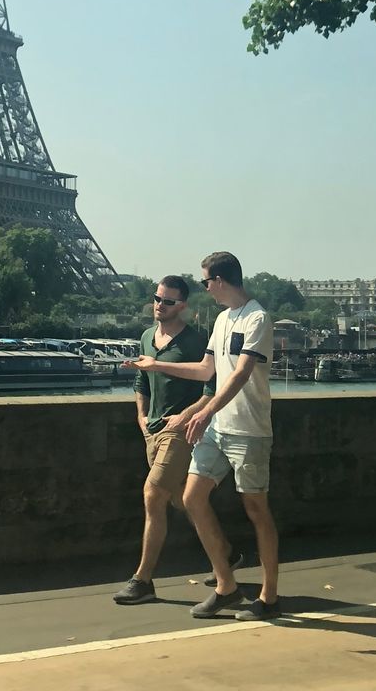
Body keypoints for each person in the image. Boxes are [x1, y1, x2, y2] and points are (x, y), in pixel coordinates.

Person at [126, 251, 280, 621]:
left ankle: (269, 596)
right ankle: (226, 586)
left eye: (206, 282)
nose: (206, 289)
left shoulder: (258, 318)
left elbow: (241, 373)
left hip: (248, 428)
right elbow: (205, 370)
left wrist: (204, 410)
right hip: (218, 429)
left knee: (257, 510)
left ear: (221, 281)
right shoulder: (223, 319)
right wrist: (155, 364)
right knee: (192, 499)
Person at [112, 276, 220, 606]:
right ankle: (227, 555)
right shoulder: (147, 337)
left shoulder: (196, 340)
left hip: (180, 430)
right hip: (154, 430)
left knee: (153, 494)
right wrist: (142, 417)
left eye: (168, 301)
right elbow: (142, 381)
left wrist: (185, 416)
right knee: (181, 501)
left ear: (183, 306)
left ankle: (143, 579)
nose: (160, 305)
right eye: (157, 298)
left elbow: (211, 389)